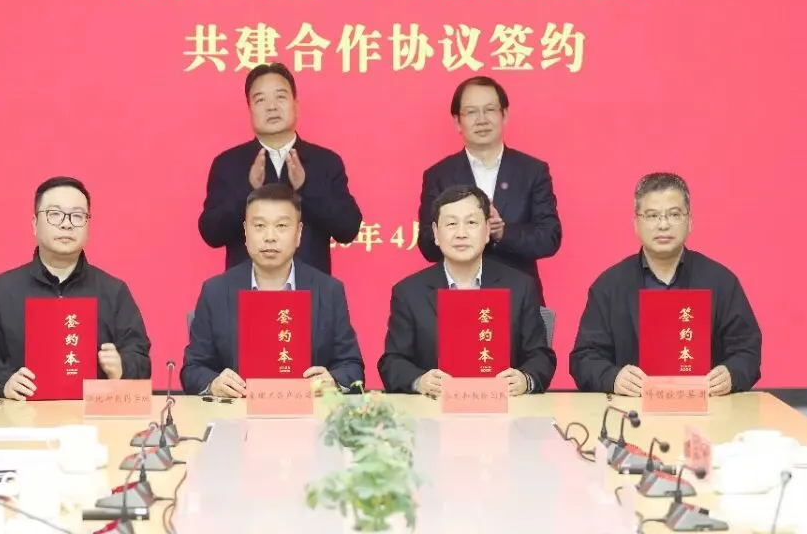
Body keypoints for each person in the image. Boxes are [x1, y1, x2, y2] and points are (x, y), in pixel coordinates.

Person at [568, 172, 762, 397]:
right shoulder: (609, 286)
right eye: (652, 216)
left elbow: (747, 352)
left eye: (674, 214)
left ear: (690, 221)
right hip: (632, 409)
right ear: (636, 223)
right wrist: (613, 378)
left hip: (707, 408)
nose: (663, 224)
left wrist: (731, 375)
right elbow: (583, 358)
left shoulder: (721, 281)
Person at [0, 176, 151, 401]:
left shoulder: (114, 292)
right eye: (55, 214)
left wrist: (122, 367)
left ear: (88, 226)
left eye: (77, 216)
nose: (66, 224)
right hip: (19, 413)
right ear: (34, 224)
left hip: (94, 415)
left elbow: (139, 354)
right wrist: (4, 382)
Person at [181, 183, 365, 396]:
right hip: (238, 410)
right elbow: (193, 368)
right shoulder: (216, 291)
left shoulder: (328, 291)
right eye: (259, 226)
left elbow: (352, 367)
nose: (270, 236)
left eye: (281, 226)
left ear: (299, 233)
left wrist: (333, 381)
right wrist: (213, 384)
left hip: (309, 411)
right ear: (245, 232)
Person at [378, 185, 556, 397]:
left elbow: (541, 356)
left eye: (471, 223)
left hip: (506, 407)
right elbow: (392, 362)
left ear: (487, 230)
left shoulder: (520, 286)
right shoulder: (409, 292)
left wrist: (525, 379)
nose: (461, 234)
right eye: (451, 224)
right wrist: (419, 381)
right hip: (433, 408)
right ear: (436, 233)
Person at [197, 63, 362, 274]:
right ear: (249, 108)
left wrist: (306, 187)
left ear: (295, 104)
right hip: (247, 289)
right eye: (261, 100)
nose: (272, 107)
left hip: (311, 288)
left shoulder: (325, 162)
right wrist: (248, 190)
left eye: (280, 97)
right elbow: (211, 233)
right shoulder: (228, 163)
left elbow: (348, 228)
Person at [417, 76, 561, 304]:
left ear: (505, 115)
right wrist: (459, 229)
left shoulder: (532, 170)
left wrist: (503, 232)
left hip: (519, 300)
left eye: (490, 110)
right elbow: (427, 245)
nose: (482, 119)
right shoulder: (438, 175)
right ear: (457, 121)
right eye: (471, 112)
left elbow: (549, 237)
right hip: (457, 298)